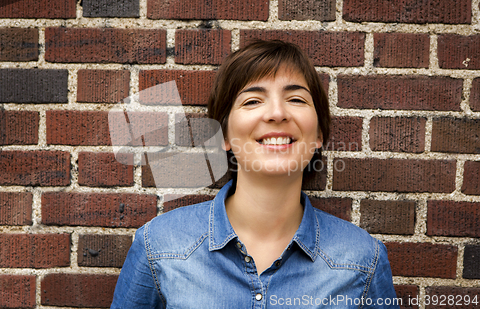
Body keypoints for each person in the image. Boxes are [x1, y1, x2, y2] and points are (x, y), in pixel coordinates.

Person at [111, 40, 398, 308]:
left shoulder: (362, 261)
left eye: (296, 99)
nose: (276, 113)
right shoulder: (159, 246)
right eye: (252, 101)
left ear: (319, 134)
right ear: (223, 135)